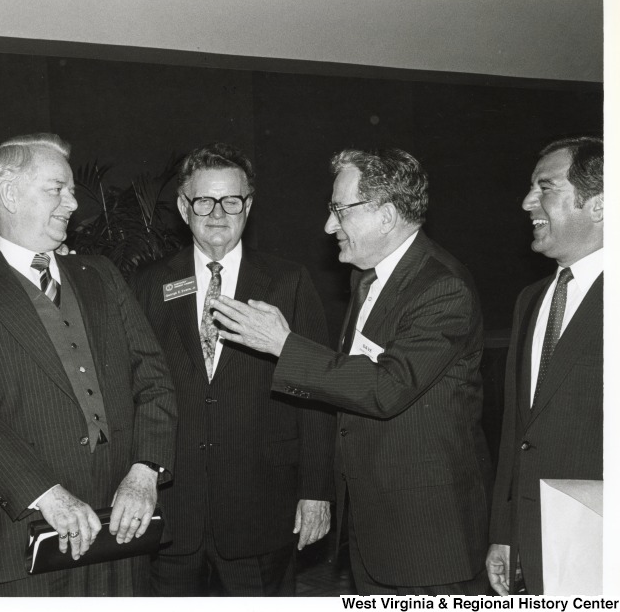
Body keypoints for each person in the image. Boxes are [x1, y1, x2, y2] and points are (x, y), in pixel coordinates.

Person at [210, 147, 492, 595]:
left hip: (426, 534)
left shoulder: (442, 288)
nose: (329, 225)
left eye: (340, 210)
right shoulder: (368, 276)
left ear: (386, 215)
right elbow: (349, 381)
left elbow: (387, 388)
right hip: (374, 522)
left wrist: (284, 345)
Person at [0, 133, 177, 596]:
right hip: (30, 528)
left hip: (124, 516)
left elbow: (154, 379)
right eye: (57, 189)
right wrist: (47, 495)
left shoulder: (102, 274)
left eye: (71, 190)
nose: (73, 204)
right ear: (8, 195)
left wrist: (145, 472)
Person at [131, 142, 335, 596]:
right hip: (174, 511)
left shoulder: (288, 282)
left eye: (232, 200)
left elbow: (318, 393)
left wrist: (317, 490)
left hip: (261, 507)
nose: (218, 213)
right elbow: (136, 389)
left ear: (249, 206)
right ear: (184, 208)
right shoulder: (150, 283)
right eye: (204, 200)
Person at [485, 137, 603, 596]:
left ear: (598, 204)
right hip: (532, 543)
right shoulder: (531, 300)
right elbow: (517, 430)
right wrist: (504, 531)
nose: (526, 202)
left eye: (545, 187)